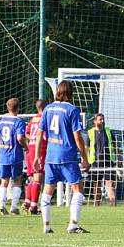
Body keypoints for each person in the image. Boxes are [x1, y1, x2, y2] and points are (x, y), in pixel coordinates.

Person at [35, 81, 90, 234]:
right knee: (78, 189)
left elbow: (40, 133)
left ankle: (46, 226)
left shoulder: (48, 108)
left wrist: (37, 155)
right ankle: (73, 225)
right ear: (70, 92)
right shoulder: (72, 110)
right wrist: (84, 157)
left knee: (47, 191)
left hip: (51, 156)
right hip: (67, 156)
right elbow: (77, 136)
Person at [0, 98, 27, 215]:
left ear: (7, 108)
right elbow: (20, 138)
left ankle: (2, 205)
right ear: (18, 108)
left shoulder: (1, 122)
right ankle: (14, 207)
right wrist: (27, 147)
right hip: (15, 155)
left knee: (4, 181)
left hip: (3, 155)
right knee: (17, 179)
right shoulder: (19, 122)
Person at [86, 113, 122, 206]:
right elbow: (86, 148)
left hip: (108, 162)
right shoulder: (90, 133)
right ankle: (96, 205)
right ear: (95, 121)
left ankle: (113, 205)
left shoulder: (108, 131)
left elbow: (116, 146)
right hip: (95, 163)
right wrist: (84, 161)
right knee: (96, 185)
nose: (102, 121)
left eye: (103, 119)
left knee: (110, 184)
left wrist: (119, 159)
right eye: (100, 119)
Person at [22, 99, 46, 215]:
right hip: (39, 149)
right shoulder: (44, 118)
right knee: (38, 178)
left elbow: (26, 133)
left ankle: (27, 202)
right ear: (45, 107)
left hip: (30, 149)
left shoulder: (32, 119)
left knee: (32, 177)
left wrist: (31, 139)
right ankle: (34, 207)